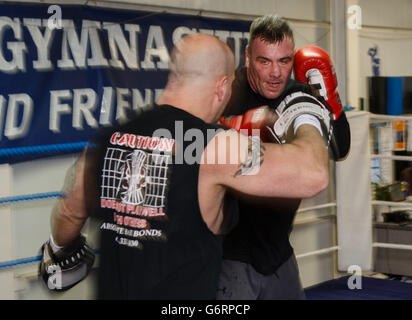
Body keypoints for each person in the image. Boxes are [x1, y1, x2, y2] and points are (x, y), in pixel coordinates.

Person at [39, 33, 331, 299]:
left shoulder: (106, 140)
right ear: (223, 86)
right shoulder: (211, 146)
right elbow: (314, 174)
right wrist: (307, 114)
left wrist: (59, 248)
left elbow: (69, 211)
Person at [217, 15, 351, 300]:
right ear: (248, 57)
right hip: (230, 252)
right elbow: (187, 149)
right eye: (265, 61)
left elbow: (341, 149)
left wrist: (331, 99)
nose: (276, 72)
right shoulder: (227, 94)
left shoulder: (297, 95)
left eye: (284, 61)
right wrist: (236, 131)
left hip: (278, 252)